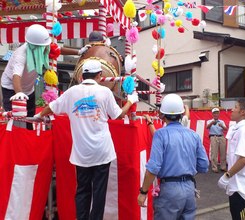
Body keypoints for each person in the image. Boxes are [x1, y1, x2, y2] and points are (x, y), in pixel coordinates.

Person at [36, 59, 138, 220]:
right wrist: (131, 100)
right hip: (102, 151)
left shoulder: (71, 92)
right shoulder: (105, 92)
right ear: (99, 75)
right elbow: (119, 115)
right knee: (99, 191)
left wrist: (38, 116)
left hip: (82, 153)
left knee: (82, 190)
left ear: (82, 76)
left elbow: (51, 107)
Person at [137, 94, 209, 219]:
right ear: (181, 114)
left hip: (169, 190)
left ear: (162, 114)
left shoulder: (160, 135)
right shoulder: (193, 135)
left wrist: (143, 192)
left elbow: (153, 168)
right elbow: (204, 165)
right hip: (189, 189)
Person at [1, 24, 89, 120]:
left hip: (28, 88)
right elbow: (16, 76)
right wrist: (18, 93)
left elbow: (57, 49)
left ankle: (30, 133)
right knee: (15, 118)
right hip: (11, 88)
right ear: (34, 45)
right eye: (43, 47)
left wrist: (79, 52)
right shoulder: (21, 54)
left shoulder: (43, 47)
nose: (45, 49)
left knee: (31, 117)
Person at [217, 98, 245, 220]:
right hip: (236, 185)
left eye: (235, 107)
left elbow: (243, 159)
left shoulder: (244, 131)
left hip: (241, 186)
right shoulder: (239, 128)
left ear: (243, 112)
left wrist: (226, 175)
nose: (232, 110)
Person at [206, 107, 227, 173]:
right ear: (212, 114)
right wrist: (212, 123)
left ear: (219, 114)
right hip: (213, 137)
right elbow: (207, 127)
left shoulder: (222, 121)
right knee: (214, 153)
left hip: (221, 136)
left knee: (223, 152)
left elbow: (225, 129)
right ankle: (214, 167)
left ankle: (223, 167)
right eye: (214, 113)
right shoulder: (209, 121)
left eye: (217, 113)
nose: (216, 114)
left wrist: (222, 126)